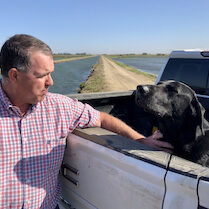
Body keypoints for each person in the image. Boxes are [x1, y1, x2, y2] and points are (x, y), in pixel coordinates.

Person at [0, 34, 172, 209]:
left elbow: (102, 118)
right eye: (42, 75)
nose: (50, 82)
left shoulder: (59, 107)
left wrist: (140, 140)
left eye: (51, 73)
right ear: (14, 75)